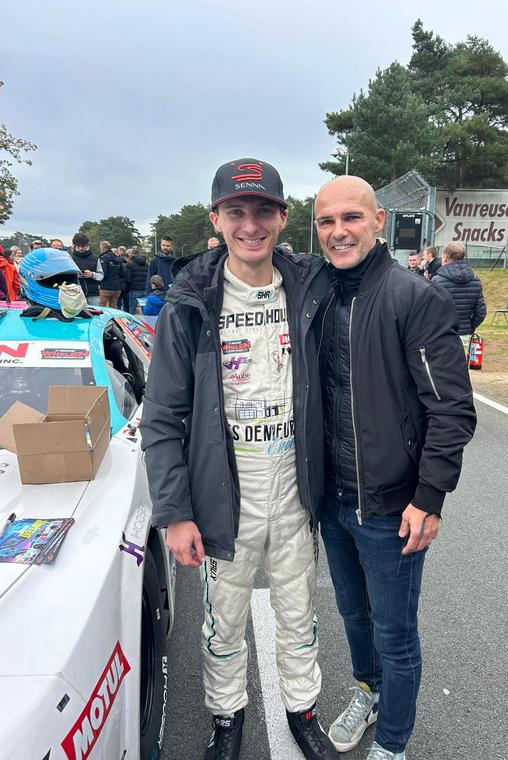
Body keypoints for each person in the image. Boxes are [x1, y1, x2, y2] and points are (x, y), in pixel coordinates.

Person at [140, 157, 335, 760]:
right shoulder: (190, 301)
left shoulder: (312, 287)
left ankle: (303, 710)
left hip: (295, 485)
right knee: (223, 622)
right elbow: (161, 417)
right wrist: (174, 512)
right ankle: (228, 720)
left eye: (263, 211)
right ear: (216, 219)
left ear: (282, 217)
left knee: (299, 611)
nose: (250, 224)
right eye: (236, 211)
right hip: (226, 488)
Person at [312, 176, 477, 760]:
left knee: (395, 634)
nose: (339, 232)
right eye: (327, 221)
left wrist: (429, 496)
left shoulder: (414, 297)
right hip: (332, 502)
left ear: (379, 220)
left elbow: (452, 409)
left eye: (351, 218)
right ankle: (370, 691)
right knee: (353, 618)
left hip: (391, 508)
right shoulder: (318, 295)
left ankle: (392, 744)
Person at [431, 241, 487, 352]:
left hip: (442, 333)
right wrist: (469, 328)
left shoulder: (437, 281)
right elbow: (481, 311)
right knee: (461, 367)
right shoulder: (475, 280)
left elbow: (431, 311)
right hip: (464, 333)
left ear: (445, 257)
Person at [69, 232, 103, 306]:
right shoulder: (70, 259)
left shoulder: (95, 258)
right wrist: (76, 276)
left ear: (87, 245)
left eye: (83, 246)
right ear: (74, 246)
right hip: (75, 294)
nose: (81, 248)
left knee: (95, 315)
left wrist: (92, 274)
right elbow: (66, 276)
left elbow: (101, 276)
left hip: (93, 294)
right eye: (78, 246)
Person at [98, 241, 123, 308]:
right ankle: (113, 318)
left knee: (101, 307)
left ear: (103, 248)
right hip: (117, 287)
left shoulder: (104, 258)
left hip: (106, 287)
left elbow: (103, 273)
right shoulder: (117, 258)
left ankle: (102, 319)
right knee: (113, 307)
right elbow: (122, 273)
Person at [125, 246, 149, 313]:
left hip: (134, 289)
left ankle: (130, 323)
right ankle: (145, 323)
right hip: (144, 289)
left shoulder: (130, 263)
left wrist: (128, 288)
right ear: (139, 252)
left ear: (132, 253)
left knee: (132, 309)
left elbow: (128, 278)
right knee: (144, 310)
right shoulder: (146, 264)